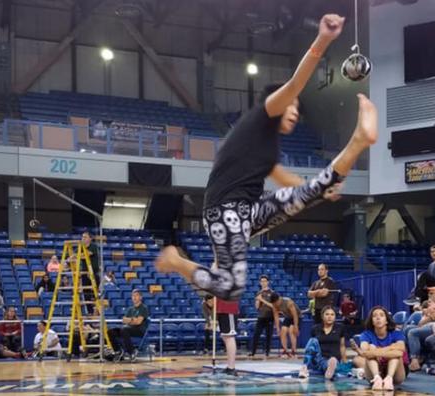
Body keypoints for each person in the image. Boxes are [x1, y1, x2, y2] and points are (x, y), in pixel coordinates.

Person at [155, 13, 379, 302]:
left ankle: (359, 141)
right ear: (278, 104)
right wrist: (323, 39)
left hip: (248, 213)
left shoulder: (266, 147)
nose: (296, 113)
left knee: (314, 189)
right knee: (230, 289)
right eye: (292, 107)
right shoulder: (261, 116)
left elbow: (290, 183)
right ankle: (176, 260)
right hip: (224, 210)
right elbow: (297, 83)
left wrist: (323, 191)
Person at [351, 306, 408, 391]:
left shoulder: (396, 333)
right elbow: (366, 352)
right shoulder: (366, 334)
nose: (378, 318)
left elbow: (400, 351)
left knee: (395, 352)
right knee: (371, 347)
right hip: (375, 370)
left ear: (386, 321)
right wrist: (388, 350)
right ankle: (377, 378)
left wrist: (377, 352)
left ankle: (389, 378)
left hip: (396, 372)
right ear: (372, 321)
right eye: (375, 316)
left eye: (381, 315)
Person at [298, 306, 349, 380]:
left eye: (332, 315)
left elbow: (342, 346)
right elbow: (311, 348)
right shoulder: (315, 328)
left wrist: (345, 362)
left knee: (331, 361)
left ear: (335, 317)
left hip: (334, 357)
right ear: (322, 316)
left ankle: (329, 369)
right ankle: (304, 367)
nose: (329, 317)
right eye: (327, 314)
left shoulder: (340, 328)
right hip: (319, 357)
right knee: (313, 341)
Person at [107, 289, 149, 362]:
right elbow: (124, 320)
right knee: (111, 331)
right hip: (128, 328)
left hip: (139, 330)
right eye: (133, 296)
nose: (134, 297)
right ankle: (118, 351)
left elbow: (138, 322)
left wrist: (130, 320)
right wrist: (133, 320)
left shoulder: (143, 308)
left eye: (136, 295)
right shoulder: (130, 309)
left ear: (140, 297)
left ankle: (131, 352)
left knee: (124, 329)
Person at [249, 275, 275, 358]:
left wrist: (262, 300)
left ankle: (267, 352)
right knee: (256, 334)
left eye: (265, 281)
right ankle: (253, 352)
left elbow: (273, 306)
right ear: (260, 283)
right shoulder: (259, 293)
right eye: (262, 281)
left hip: (270, 316)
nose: (263, 283)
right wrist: (258, 301)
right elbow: (257, 307)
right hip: (261, 316)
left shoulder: (272, 293)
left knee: (268, 335)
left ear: (268, 282)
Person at [269, 292, 301, 358]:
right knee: (283, 331)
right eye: (273, 304)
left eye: (275, 303)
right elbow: (276, 317)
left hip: (297, 316)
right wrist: (277, 328)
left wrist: (296, 326)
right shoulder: (274, 305)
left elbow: (295, 315)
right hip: (288, 317)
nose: (274, 305)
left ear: (278, 300)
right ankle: (285, 351)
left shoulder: (288, 302)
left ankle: (294, 351)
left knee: (291, 331)